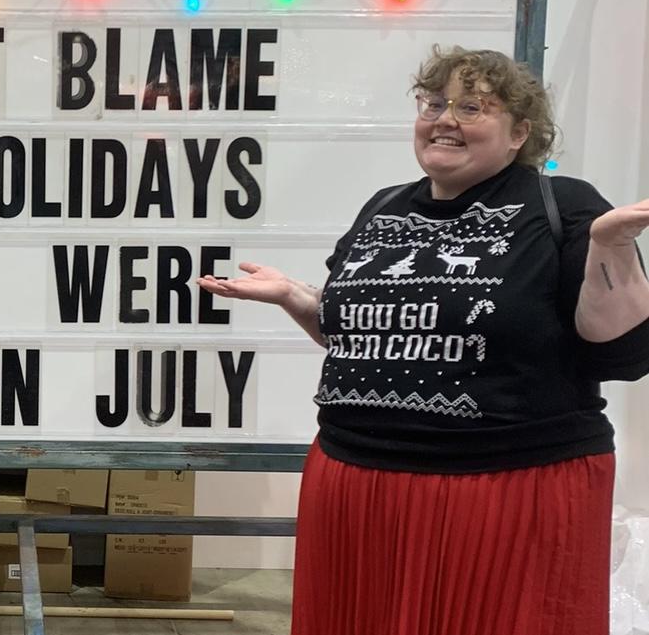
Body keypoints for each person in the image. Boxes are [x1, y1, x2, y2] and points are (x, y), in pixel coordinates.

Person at [199, 45, 649, 635]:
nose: (444, 120)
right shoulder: (383, 208)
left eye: (471, 107)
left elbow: (621, 352)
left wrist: (611, 247)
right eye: (434, 104)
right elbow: (357, 337)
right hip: (355, 480)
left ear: (519, 133)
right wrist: (296, 297)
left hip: (510, 489)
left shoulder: (562, 205)